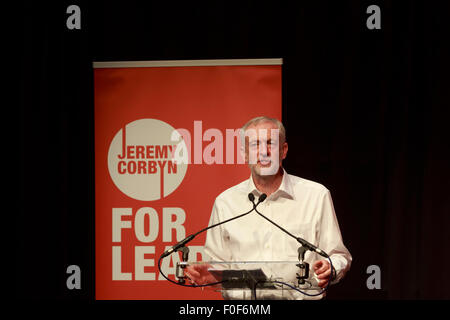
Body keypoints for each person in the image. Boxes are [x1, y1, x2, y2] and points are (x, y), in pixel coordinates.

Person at [185, 116, 352, 299]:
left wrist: (331, 268)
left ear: (283, 151)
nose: (263, 152)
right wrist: (211, 274)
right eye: (255, 145)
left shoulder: (316, 196)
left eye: (270, 144)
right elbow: (219, 267)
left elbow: (338, 255)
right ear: (245, 153)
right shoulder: (226, 202)